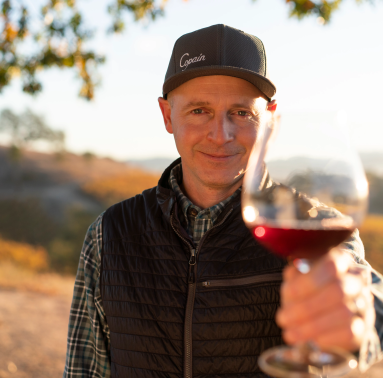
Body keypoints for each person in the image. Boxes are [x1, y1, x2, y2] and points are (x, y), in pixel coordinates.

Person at [63, 24, 383, 378]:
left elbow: (367, 304)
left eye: (241, 113)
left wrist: (361, 320)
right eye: (199, 111)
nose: (221, 135)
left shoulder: (312, 227)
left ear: (270, 120)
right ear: (167, 115)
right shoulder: (109, 234)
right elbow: (83, 371)